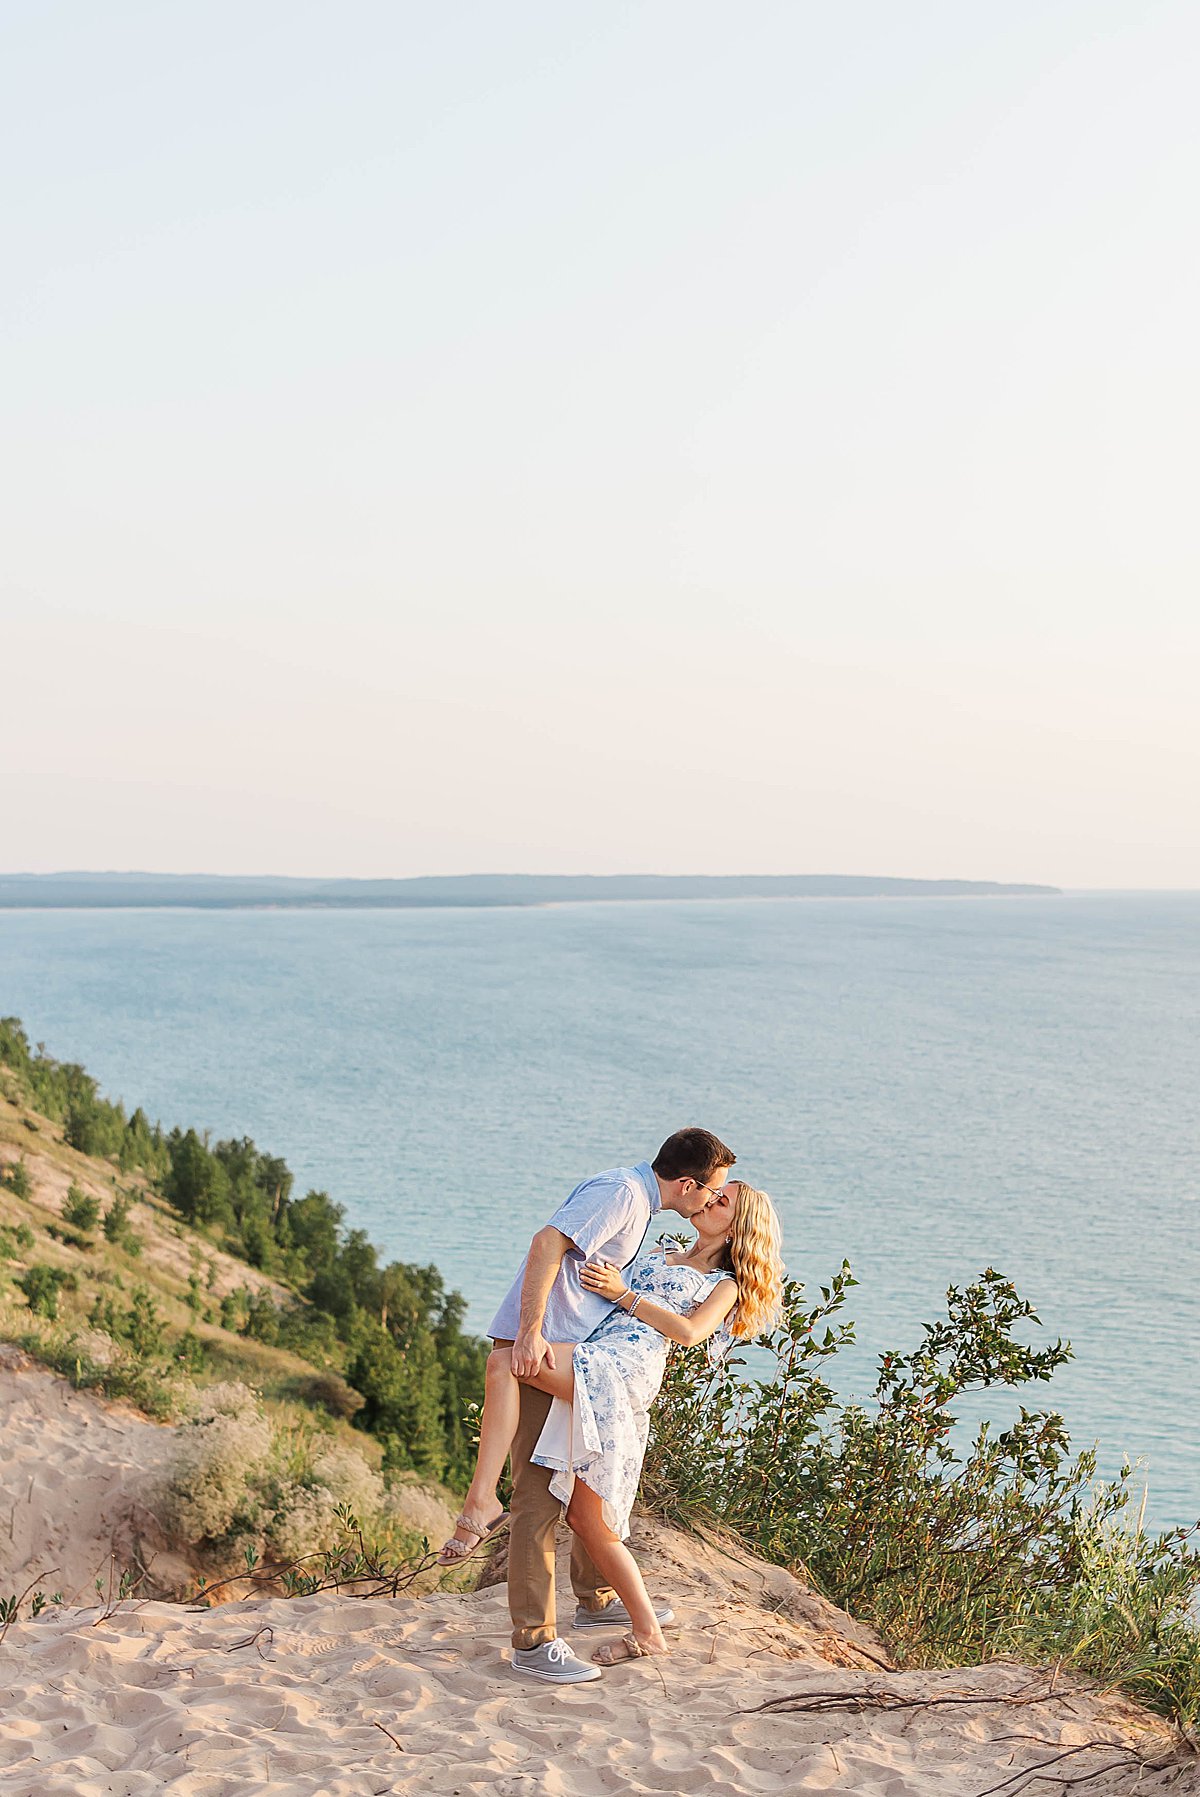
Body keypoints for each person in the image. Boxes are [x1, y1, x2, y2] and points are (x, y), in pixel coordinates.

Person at [449, 1128, 738, 1685]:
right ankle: (533, 1640)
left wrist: (621, 1296)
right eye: (713, 1192)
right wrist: (528, 1334)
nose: (710, 1201)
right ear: (687, 1184)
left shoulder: (651, 1220)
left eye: (721, 1199)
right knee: (538, 1494)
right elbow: (546, 1244)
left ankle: (595, 1599)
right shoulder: (626, 1197)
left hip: (593, 1359)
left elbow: (686, 1331)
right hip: (562, 1350)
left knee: (582, 1484)